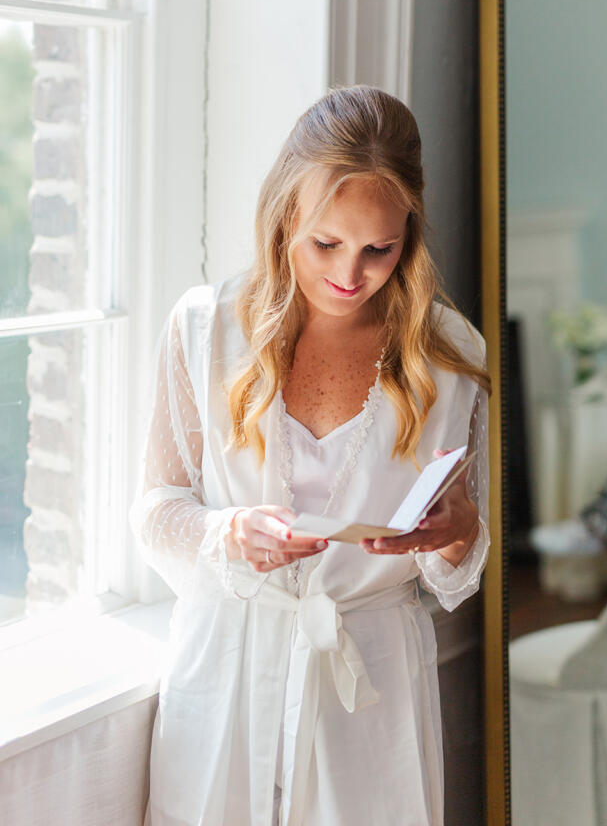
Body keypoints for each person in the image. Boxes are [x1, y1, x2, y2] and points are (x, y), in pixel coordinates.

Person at [129, 84, 492, 826]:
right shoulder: (205, 330)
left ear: (409, 235)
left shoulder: (451, 357)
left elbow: (457, 560)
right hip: (226, 672)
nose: (349, 275)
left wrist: (455, 531)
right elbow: (154, 508)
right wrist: (223, 534)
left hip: (371, 685)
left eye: (377, 249)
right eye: (326, 242)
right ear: (286, 213)